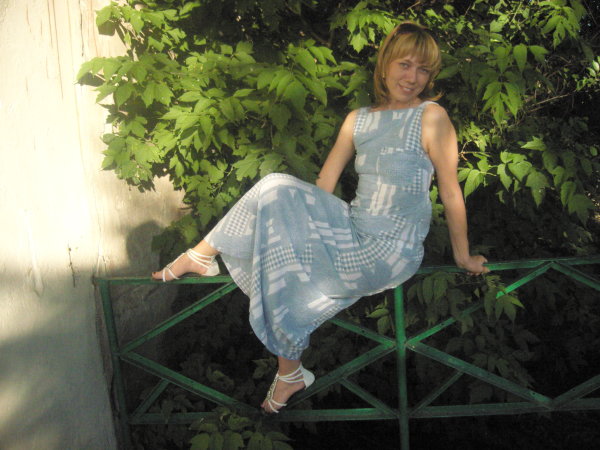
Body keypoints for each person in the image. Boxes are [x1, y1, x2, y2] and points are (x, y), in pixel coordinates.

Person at [151, 21, 489, 414]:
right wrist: (301, 229)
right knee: (276, 191)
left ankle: (208, 265)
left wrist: (462, 256)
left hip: (390, 249)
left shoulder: (431, 116)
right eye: (404, 64)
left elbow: (450, 191)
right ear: (385, 65)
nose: (412, 77)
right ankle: (284, 365)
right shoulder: (358, 119)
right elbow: (324, 184)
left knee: (285, 249)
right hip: (352, 228)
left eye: (423, 69)